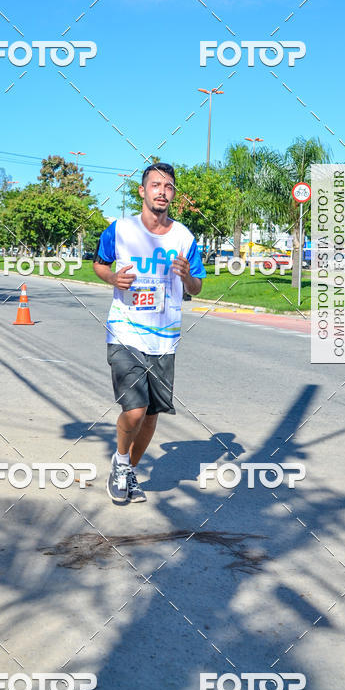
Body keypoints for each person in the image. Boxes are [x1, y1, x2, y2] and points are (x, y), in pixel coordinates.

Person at [93, 163, 205, 504]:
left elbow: (197, 287)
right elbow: (99, 263)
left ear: (173, 194)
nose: (162, 191)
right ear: (142, 191)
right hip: (125, 332)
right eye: (155, 185)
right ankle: (123, 462)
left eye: (168, 186)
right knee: (135, 410)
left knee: (152, 413)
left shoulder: (184, 237)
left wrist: (187, 277)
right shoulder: (120, 230)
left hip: (165, 337)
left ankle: (125, 470)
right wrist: (113, 279)